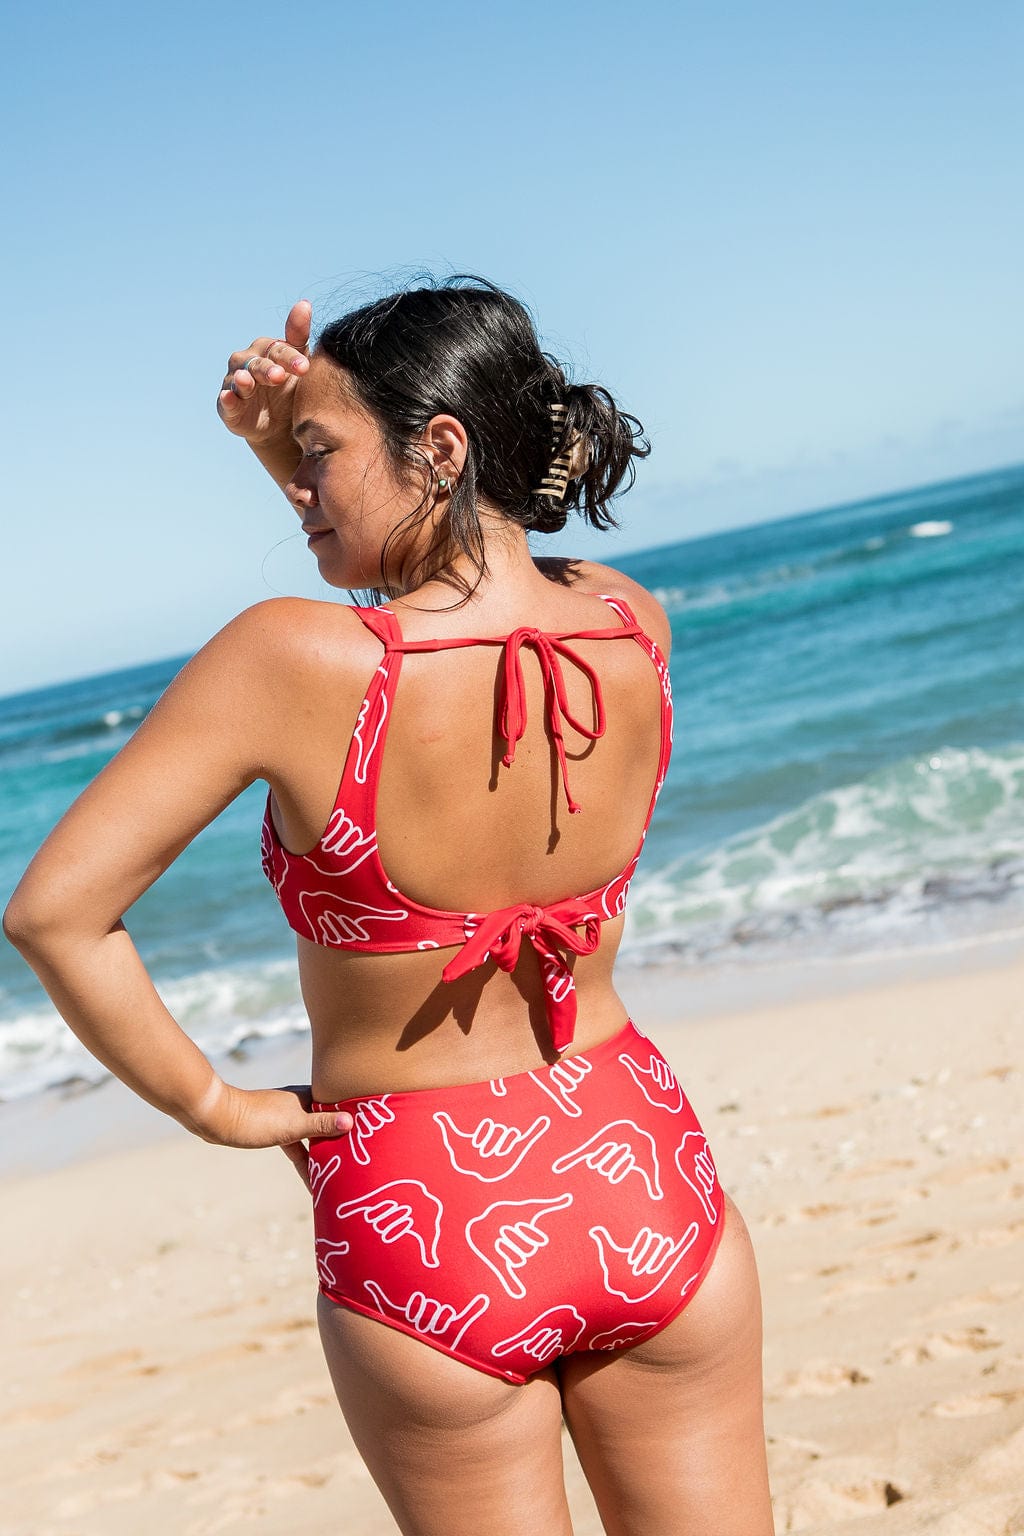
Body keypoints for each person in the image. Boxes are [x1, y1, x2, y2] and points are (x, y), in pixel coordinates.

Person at [4, 278, 774, 1535]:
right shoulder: (630, 623)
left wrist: (218, 1108)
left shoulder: (285, 658)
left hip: (428, 1204)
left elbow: (55, 913)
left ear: (442, 446)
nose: (299, 490)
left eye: (318, 459)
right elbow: (453, 585)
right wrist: (296, 446)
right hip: (640, 1166)